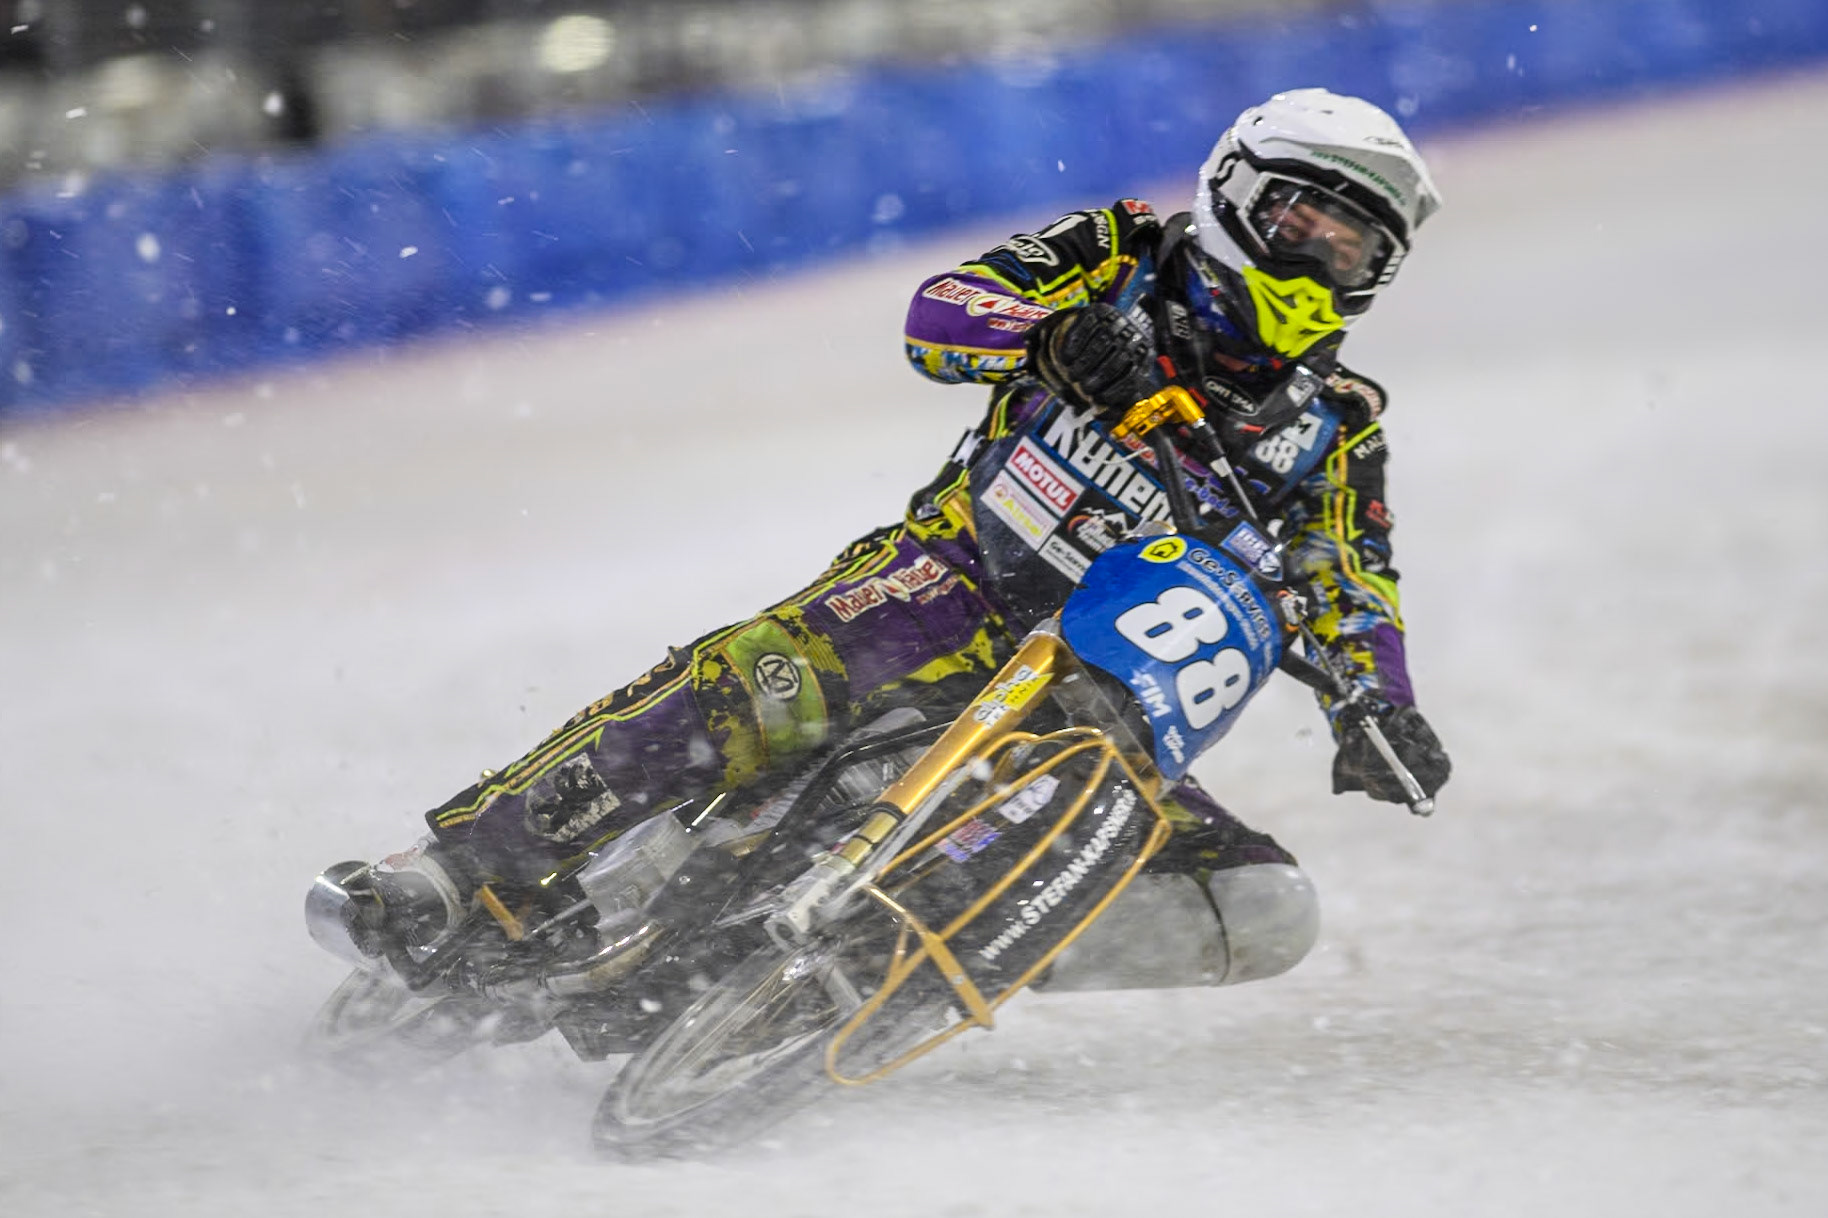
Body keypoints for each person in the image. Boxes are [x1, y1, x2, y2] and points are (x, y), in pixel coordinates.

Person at [317, 88, 1452, 994]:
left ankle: (890, 968)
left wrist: (1379, 704)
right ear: (1233, 193)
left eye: (1349, 243)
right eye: (1299, 217)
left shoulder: (1335, 428)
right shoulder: (1120, 253)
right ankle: (459, 876)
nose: (1315, 253)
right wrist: (1051, 339)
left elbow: (1349, 585)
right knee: (749, 687)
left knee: (1262, 910)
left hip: (1103, 703)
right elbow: (941, 313)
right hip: (945, 582)